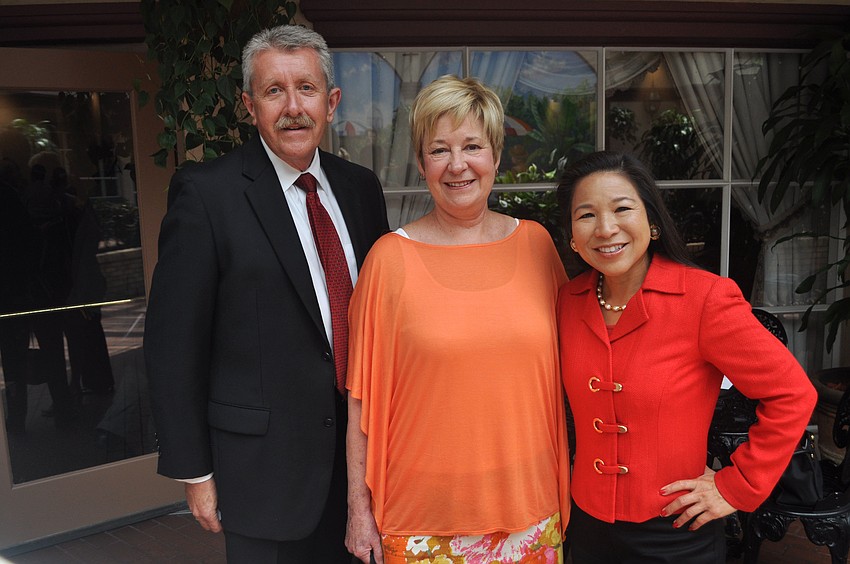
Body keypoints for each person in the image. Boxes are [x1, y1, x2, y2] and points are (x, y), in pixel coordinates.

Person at [144, 25, 389, 563]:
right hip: (263, 475)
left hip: (363, 466)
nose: (293, 107)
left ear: (331, 101)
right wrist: (195, 469)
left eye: (305, 88)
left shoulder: (360, 188)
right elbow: (172, 344)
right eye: (274, 91)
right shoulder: (207, 195)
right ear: (249, 105)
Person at [345, 75, 570, 564]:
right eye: (439, 149)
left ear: (495, 154)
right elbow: (361, 405)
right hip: (421, 519)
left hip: (529, 509)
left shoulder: (536, 246)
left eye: (472, 146)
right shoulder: (387, 260)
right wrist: (358, 509)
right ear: (422, 162)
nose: (457, 165)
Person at [556, 150, 817, 563]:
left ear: (652, 222)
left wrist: (737, 485)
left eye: (622, 208)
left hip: (676, 530)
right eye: (586, 215)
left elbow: (792, 393)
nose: (606, 229)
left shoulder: (704, 299)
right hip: (587, 527)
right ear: (572, 235)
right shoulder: (567, 303)